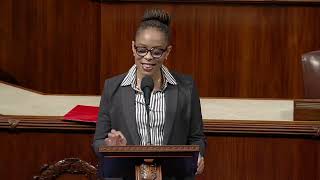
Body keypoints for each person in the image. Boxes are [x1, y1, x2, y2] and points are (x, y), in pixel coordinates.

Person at [93, 8, 206, 179]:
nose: (148, 57)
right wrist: (111, 147)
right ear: (133, 47)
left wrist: (198, 158)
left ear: (167, 52)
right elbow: (98, 140)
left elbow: (196, 137)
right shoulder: (113, 87)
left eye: (156, 52)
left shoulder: (186, 87)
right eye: (142, 50)